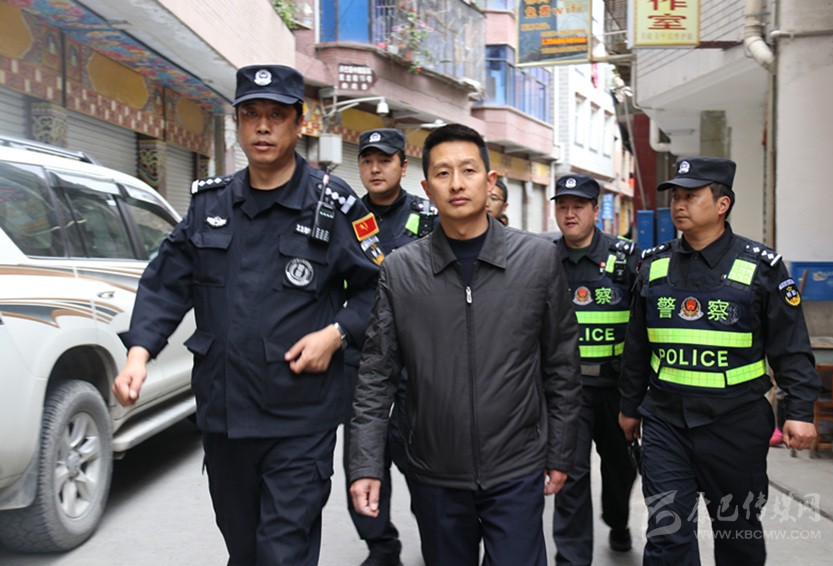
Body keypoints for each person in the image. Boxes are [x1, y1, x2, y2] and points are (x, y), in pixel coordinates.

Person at [111, 65, 382, 566]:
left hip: (300, 418)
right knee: (244, 550)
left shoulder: (332, 204)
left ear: (298, 123)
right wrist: (138, 355)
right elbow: (166, 283)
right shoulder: (209, 203)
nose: (262, 127)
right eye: (251, 114)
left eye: (276, 116)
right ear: (237, 123)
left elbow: (380, 289)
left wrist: (336, 334)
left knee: (283, 552)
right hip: (225, 415)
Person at [348, 123, 583, 565]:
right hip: (435, 472)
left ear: (490, 181)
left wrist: (560, 451)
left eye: (468, 170)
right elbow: (376, 376)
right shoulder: (401, 271)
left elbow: (562, 365)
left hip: (517, 467)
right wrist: (365, 464)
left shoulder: (536, 260)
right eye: (443, 173)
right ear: (426, 188)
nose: (456, 184)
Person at [618, 157, 820, 565]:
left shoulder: (761, 267)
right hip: (666, 422)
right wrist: (629, 406)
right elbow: (637, 345)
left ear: (722, 204)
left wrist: (800, 411)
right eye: (676, 196)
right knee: (667, 535)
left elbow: (790, 346)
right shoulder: (653, 265)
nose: (679, 204)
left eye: (690, 196)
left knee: (737, 533)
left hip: (735, 423)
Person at [343, 127, 436, 566]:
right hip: (360, 360)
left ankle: (440, 541)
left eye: (384, 160)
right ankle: (381, 547)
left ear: (403, 165)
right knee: (364, 460)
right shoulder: (346, 218)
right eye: (367, 161)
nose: (375, 169)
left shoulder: (428, 217)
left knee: (424, 462)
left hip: (417, 362)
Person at [549, 174, 639, 564]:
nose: (570, 214)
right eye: (562, 206)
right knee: (569, 475)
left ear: (596, 210)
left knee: (622, 469)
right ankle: (572, 558)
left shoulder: (627, 258)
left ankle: (617, 519)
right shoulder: (543, 259)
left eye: (578, 206)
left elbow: (644, 326)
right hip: (566, 391)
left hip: (616, 388)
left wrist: (638, 394)